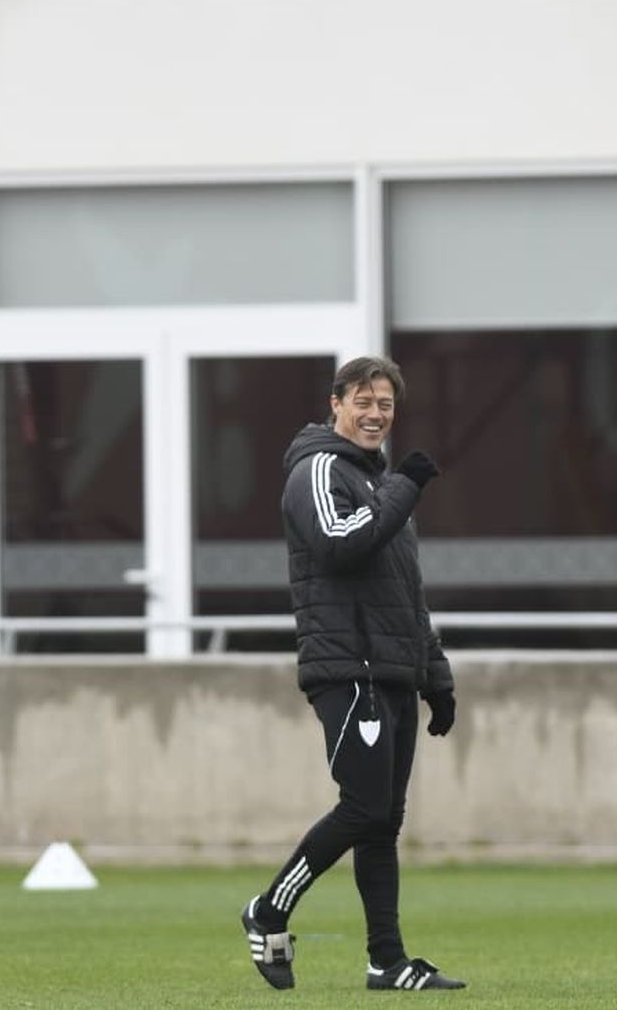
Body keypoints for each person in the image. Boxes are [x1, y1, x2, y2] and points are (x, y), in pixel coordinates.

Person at [240, 354, 467, 993]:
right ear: (336, 402)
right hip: (349, 668)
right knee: (364, 807)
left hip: (392, 670)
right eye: (363, 402)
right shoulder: (315, 470)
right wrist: (406, 487)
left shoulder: (381, 482)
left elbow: (407, 592)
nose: (375, 415)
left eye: (386, 405)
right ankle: (269, 908)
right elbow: (340, 542)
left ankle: (387, 962)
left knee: (383, 821)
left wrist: (436, 675)